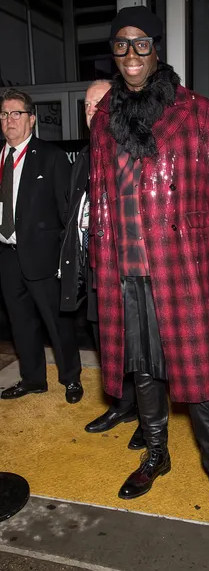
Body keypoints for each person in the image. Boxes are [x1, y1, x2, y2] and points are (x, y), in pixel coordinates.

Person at [89, 6, 209, 549]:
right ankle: (155, 455)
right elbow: (104, 201)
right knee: (143, 374)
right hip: (124, 273)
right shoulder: (103, 117)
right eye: (120, 46)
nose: (130, 55)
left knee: (201, 386)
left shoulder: (194, 111)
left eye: (140, 44)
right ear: (112, 54)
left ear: (157, 49)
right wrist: (97, 270)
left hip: (181, 270)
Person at [60, 79, 145, 449]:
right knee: (104, 340)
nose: (93, 110)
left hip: (130, 270)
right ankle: (122, 404)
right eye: (87, 105)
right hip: (95, 267)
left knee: (140, 346)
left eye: (101, 103)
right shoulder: (83, 158)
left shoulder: (133, 151)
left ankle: (148, 415)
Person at [0, 89, 83, 404]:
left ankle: (71, 378)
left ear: (31, 119)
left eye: (16, 113)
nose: (9, 120)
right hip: (7, 255)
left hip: (44, 256)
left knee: (57, 322)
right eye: (4, 114)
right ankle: (33, 378)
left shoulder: (51, 156)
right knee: (19, 323)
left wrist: (66, 258)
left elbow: (67, 212)